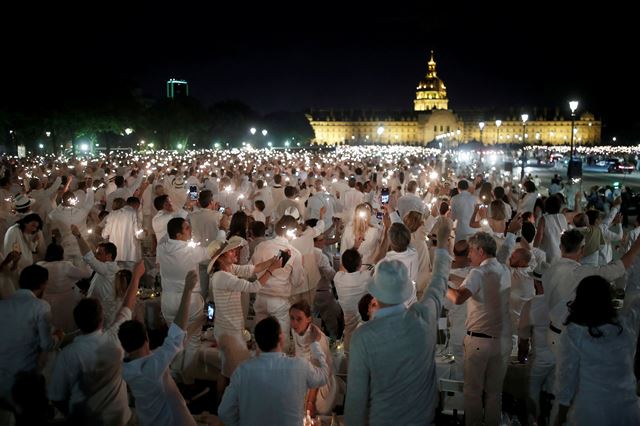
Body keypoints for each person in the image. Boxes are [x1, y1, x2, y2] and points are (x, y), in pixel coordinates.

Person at [345, 218, 452, 425]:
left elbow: (355, 403)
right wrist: (443, 243)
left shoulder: (363, 337)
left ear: (374, 294)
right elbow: (439, 281)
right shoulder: (424, 317)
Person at [48, 261, 144, 425]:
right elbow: (128, 304)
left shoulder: (67, 355)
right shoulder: (114, 338)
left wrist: (74, 413)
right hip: (119, 418)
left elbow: (57, 397)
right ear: (101, 319)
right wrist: (136, 276)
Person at [446, 217, 522, 426]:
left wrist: (442, 284)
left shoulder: (477, 273)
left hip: (479, 342)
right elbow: (483, 285)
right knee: (494, 394)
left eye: (471, 252)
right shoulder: (503, 269)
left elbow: (459, 297)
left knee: (472, 393)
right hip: (502, 341)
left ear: (480, 251)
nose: (469, 256)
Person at [556, 275, 640, 425]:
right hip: (627, 408)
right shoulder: (624, 327)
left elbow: (567, 378)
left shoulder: (575, 333)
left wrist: (561, 414)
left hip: (591, 411)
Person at [117, 271, 199, 426]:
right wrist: (188, 290)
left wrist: (199, 322)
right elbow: (175, 337)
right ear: (147, 339)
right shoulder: (153, 367)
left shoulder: (126, 368)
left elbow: (176, 342)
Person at [218, 316, 329, 426]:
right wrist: (315, 344)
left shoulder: (243, 371)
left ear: (257, 342)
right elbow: (324, 375)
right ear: (281, 338)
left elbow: (224, 412)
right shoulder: (300, 366)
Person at [208, 237, 281, 385]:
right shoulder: (221, 276)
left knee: (226, 371)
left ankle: (222, 404)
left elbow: (252, 269)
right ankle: (227, 404)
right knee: (234, 373)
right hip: (229, 332)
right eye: (230, 251)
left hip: (228, 329)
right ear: (220, 258)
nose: (235, 252)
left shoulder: (229, 269)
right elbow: (253, 287)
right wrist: (272, 270)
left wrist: (272, 261)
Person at [0, 265, 62, 409]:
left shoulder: (2, 305)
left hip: (2, 376)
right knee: (55, 355)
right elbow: (47, 344)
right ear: (42, 285)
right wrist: (58, 336)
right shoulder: (40, 306)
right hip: (25, 380)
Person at [289, 300, 338, 417]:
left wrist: (310, 402)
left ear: (309, 319)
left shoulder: (317, 340)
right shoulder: (295, 331)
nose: (294, 323)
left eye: (299, 318)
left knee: (313, 410)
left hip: (321, 383)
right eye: (292, 318)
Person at [71, 224, 121, 328]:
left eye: (99, 254)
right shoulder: (104, 268)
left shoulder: (110, 268)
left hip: (104, 314)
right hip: (96, 311)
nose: (96, 256)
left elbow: (89, 258)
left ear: (109, 256)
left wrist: (78, 236)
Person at [38, 237, 91, 332]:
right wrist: (86, 262)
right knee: (67, 325)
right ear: (61, 254)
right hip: (66, 301)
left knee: (50, 326)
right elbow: (86, 274)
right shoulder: (65, 265)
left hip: (46, 300)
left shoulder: (40, 265)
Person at [333, 248, 371, 350]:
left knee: (348, 352)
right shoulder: (366, 277)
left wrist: (355, 246)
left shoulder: (338, 278)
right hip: (364, 323)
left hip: (348, 324)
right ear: (360, 264)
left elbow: (342, 268)